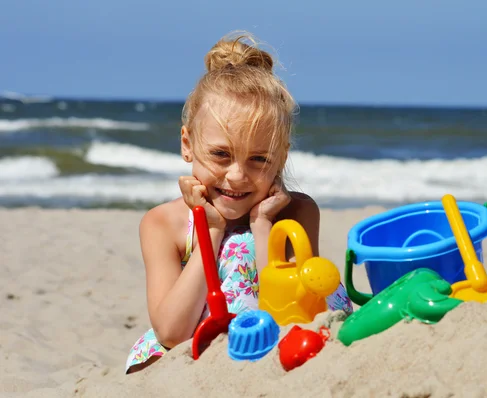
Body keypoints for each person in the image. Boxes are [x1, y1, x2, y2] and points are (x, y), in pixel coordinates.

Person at [124, 31, 354, 374]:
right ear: (187, 143)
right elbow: (172, 333)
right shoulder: (162, 223)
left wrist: (262, 227)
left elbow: (288, 314)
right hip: (187, 352)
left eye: (259, 159)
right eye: (221, 155)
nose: (236, 176)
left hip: (267, 344)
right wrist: (211, 229)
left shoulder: (296, 212)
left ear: (281, 157)